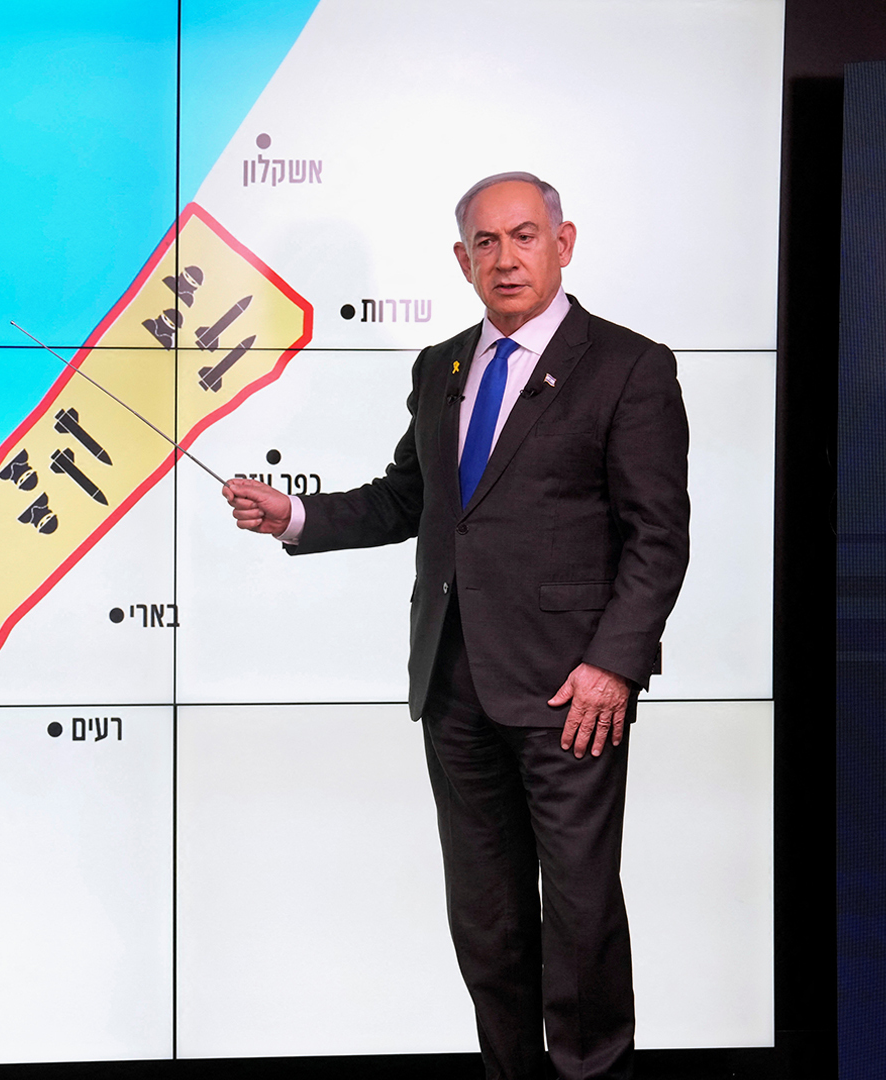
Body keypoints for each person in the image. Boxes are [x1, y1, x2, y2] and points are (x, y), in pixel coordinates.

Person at [222, 172, 689, 1080]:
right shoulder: (441, 366)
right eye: (486, 242)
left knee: (581, 913)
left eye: (524, 236)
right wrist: (295, 515)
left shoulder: (628, 366)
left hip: (571, 692)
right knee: (486, 917)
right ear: (461, 259)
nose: (505, 258)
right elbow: (412, 499)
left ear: (563, 243)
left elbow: (658, 537)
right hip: (454, 684)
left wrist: (613, 666)